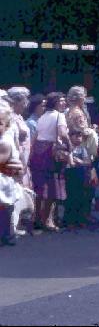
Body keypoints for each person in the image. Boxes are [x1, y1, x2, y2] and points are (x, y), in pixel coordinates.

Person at [30, 92, 70, 231]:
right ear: (55, 103)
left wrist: (31, 152)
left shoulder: (42, 117)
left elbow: (35, 137)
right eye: (61, 101)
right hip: (50, 153)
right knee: (52, 187)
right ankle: (48, 220)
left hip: (39, 153)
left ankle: (37, 218)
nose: (64, 103)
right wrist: (69, 146)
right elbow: (63, 134)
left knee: (40, 187)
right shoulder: (60, 116)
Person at [0, 101, 24, 246]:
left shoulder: (4, 143)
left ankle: (7, 235)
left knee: (4, 209)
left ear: (6, 125)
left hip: (3, 183)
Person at [62, 129, 95, 228]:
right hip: (70, 175)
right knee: (70, 198)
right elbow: (70, 164)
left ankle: (81, 219)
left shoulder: (82, 149)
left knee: (81, 197)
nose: (79, 139)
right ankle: (69, 221)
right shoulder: (67, 148)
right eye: (76, 136)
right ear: (70, 137)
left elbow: (87, 162)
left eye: (80, 136)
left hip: (80, 175)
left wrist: (79, 161)